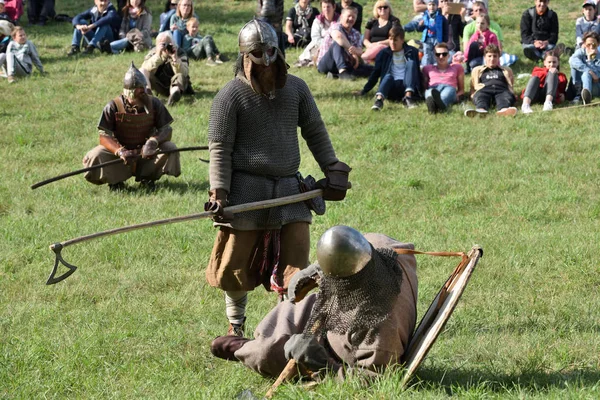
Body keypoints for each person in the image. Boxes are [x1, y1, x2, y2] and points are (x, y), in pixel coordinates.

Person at [204, 19, 350, 337]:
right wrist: (220, 192)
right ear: (245, 56)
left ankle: (287, 329)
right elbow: (220, 149)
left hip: (289, 190)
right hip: (246, 191)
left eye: (271, 51)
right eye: (258, 53)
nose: (266, 60)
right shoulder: (229, 97)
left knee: (295, 264)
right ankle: (236, 326)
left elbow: (314, 130)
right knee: (234, 265)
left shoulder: (296, 88)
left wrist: (332, 168)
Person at [210, 225, 418, 381]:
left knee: (273, 353)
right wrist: (317, 270)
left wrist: (321, 362)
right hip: (342, 320)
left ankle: (246, 350)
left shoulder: (380, 327)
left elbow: (373, 379)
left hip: (341, 355)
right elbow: (362, 242)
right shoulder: (383, 256)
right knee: (298, 308)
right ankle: (260, 341)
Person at [82, 63, 181, 191]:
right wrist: (120, 151)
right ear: (130, 92)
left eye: (144, 87)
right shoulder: (113, 107)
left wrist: (152, 142)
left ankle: (148, 178)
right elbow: (104, 136)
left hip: (146, 153)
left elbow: (166, 129)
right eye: (140, 88)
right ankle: (115, 181)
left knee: (169, 148)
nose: (144, 91)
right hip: (121, 156)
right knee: (96, 154)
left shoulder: (154, 103)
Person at [357, 25, 420, 111]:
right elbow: (376, 73)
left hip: (406, 85)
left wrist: (423, 90)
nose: (392, 43)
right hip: (391, 87)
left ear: (402, 40)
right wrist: (364, 90)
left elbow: (416, 72)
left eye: (395, 40)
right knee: (388, 76)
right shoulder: (384, 53)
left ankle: (408, 98)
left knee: (411, 63)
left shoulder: (412, 51)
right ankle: (379, 101)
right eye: (390, 39)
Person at [317, 7, 371, 79]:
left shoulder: (356, 33)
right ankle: (343, 72)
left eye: (353, 17)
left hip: (346, 62)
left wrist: (356, 52)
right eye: (349, 16)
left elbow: (360, 50)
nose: (351, 19)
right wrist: (351, 51)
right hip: (327, 63)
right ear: (341, 17)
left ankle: (335, 76)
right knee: (337, 44)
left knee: (371, 69)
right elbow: (338, 37)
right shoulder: (335, 26)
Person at [141, 31, 192, 106]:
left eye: (167, 44)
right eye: (162, 44)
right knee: (143, 71)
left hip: (176, 84)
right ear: (157, 45)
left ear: (173, 43)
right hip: (159, 84)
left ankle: (173, 96)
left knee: (180, 76)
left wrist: (175, 58)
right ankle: (148, 94)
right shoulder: (153, 52)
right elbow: (144, 68)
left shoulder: (180, 52)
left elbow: (184, 73)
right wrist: (158, 56)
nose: (165, 47)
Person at [465, 44, 517, 117]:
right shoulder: (477, 70)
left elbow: (510, 84)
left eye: (495, 56)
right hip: (484, 89)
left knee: (505, 96)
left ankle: (503, 110)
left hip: (501, 89)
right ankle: (481, 110)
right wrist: (473, 95)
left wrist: (512, 93)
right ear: (485, 57)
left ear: (498, 57)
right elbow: (473, 85)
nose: (492, 59)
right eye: (489, 56)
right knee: (480, 96)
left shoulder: (506, 70)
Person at [294, 0, 338, 68]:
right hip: (319, 45)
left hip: (336, 45)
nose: (326, 9)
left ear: (334, 7)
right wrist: (326, 44)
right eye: (324, 7)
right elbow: (315, 38)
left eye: (328, 7)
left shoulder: (339, 20)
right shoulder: (318, 21)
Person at [423, 42, 464, 113]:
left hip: (449, 88)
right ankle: (438, 106)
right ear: (434, 56)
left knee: (448, 91)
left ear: (448, 55)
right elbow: (424, 86)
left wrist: (457, 95)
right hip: (433, 88)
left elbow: (461, 89)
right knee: (429, 92)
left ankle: (438, 105)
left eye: (444, 54)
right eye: (438, 54)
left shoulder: (457, 67)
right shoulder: (427, 68)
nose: (441, 56)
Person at [569, 31, 600, 105]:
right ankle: (580, 94)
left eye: (594, 44)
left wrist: (589, 60)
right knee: (576, 66)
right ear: (584, 44)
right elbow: (571, 60)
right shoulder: (580, 52)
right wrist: (589, 70)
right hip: (579, 85)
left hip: (595, 86)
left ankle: (586, 97)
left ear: (598, 44)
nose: (591, 47)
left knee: (586, 74)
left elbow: (597, 76)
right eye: (588, 44)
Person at [415, 0, 448, 66]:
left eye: (433, 5)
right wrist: (420, 25)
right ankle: (426, 67)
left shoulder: (441, 17)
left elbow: (445, 29)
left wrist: (445, 40)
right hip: (427, 38)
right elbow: (419, 29)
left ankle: (436, 66)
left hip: (437, 38)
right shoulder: (425, 16)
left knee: (437, 52)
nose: (431, 7)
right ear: (427, 6)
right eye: (429, 5)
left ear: (437, 6)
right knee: (427, 53)